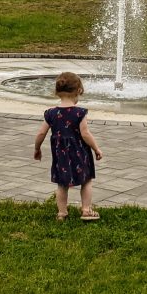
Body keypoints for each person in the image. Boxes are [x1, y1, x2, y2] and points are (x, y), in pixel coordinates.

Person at [34, 71, 103, 221]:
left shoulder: (51, 113)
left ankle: (62, 213)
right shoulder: (79, 113)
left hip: (61, 156)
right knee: (86, 181)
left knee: (62, 184)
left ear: (57, 91)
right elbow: (85, 134)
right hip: (80, 154)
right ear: (79, 91)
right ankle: (86, 209)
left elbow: (41, 133)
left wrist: (37, 148)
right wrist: (96, 148)